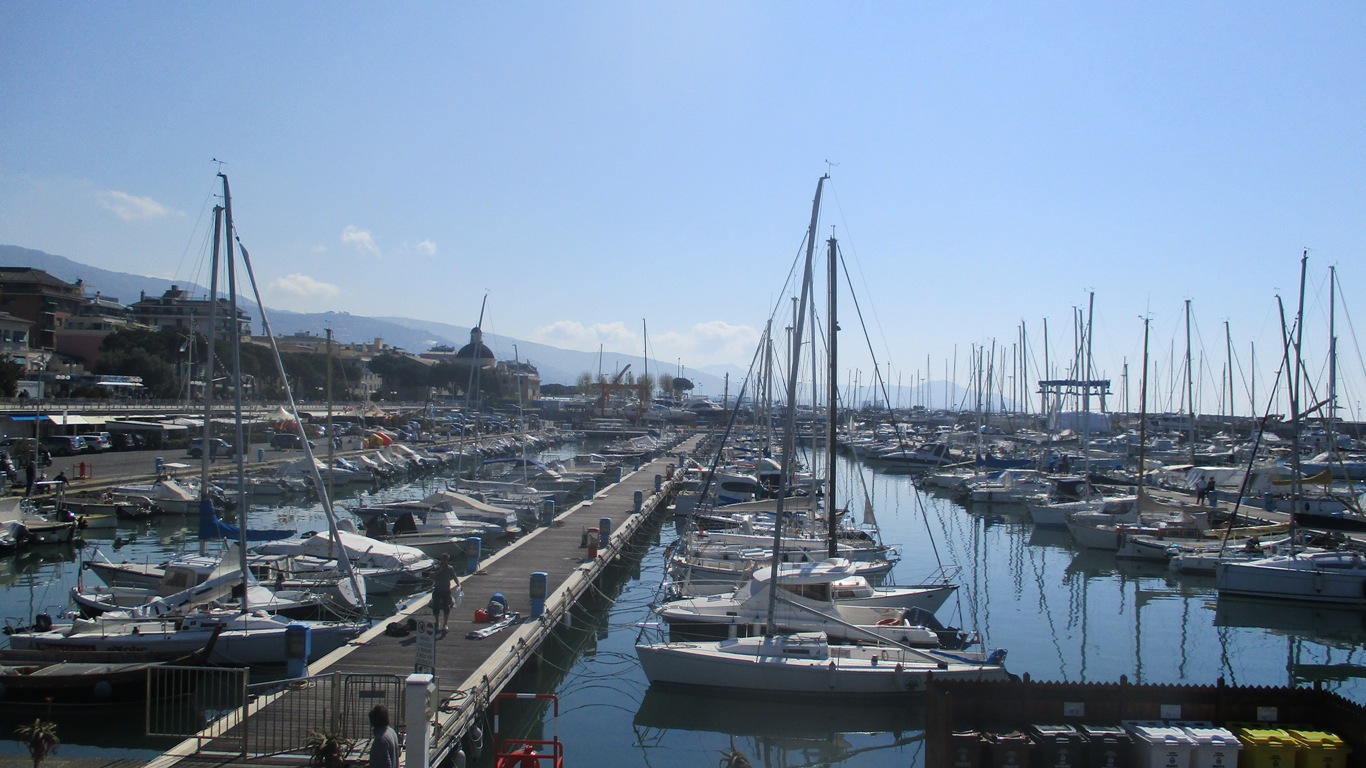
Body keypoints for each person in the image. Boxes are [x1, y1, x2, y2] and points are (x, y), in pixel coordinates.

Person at [430, 552, 460, 632]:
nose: (445, 561)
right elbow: (431, 576)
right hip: (437, 590)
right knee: (436, 606)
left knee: (446, 607)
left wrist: (458, 584)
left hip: (446, 590)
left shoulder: (450, 568)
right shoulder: (437, 567)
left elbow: (454, 576)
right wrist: (439, 571)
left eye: (446, 560)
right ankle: (437, 622)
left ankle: (445, 624)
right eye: (443, 560)